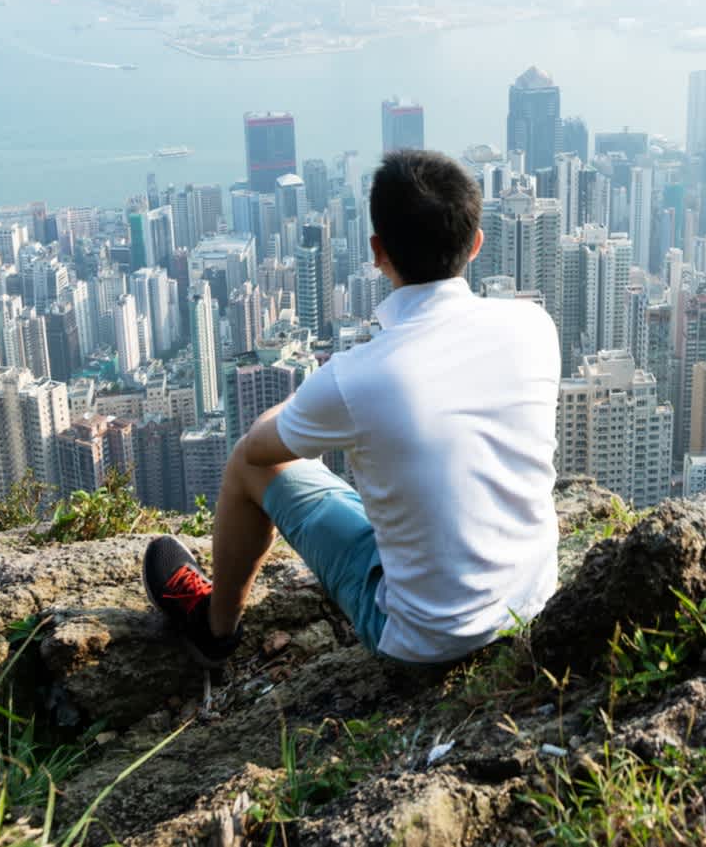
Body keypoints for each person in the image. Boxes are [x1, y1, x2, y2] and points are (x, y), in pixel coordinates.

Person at [143, 148, 561, 666]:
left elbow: (259, 447)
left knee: (246, 464)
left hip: (422, 641)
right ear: (476, 244)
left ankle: (214, 630)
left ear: (377, 251)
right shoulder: (533, 325)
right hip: (534, 603)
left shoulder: (360, 375)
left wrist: (323, 391)